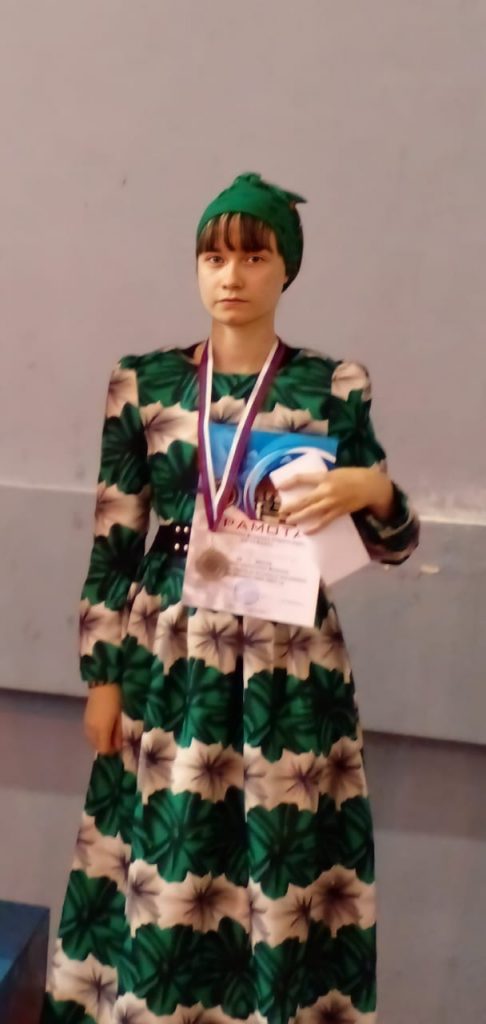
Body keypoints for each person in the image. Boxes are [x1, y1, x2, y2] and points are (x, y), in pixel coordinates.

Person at [42, 172, 419, 1024]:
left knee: (280, 860)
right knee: (167, 859)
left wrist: (376, 491)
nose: (232, 276)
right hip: (169, 657)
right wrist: (102, 676)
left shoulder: (333, 386)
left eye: (254, 256)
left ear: (287, 268)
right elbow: (114, 538)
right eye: (214, 257)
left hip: (290, 662)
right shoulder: (145, 383)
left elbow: (391, 545)